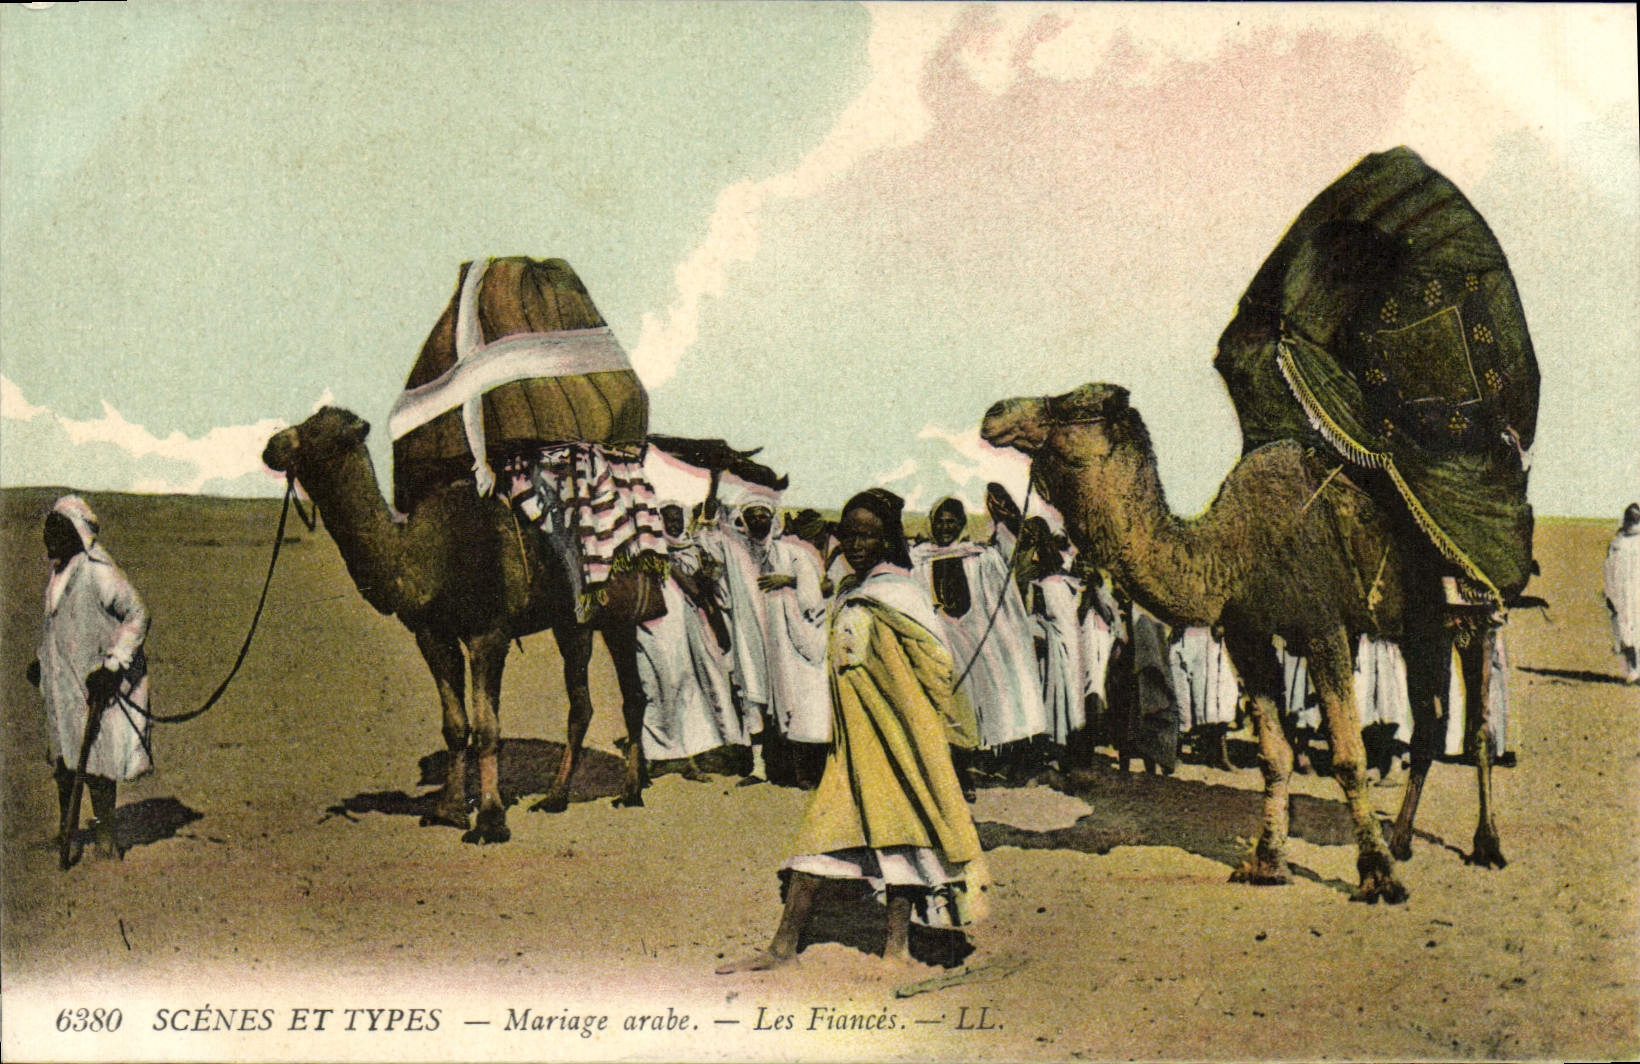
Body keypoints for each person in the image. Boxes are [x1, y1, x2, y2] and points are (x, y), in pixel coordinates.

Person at [716, 489, 983, 973]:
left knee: (902, 841)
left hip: (896, 739)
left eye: (868, 535)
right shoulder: (847, 592)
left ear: (887, 540)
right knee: (815, 840)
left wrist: (925, 720)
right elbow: (819, 651)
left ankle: (896, 949)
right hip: (851, 748)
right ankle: (782, 949)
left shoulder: (900, 595)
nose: (856, 544)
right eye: (850, 534)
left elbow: (937, 662)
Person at [26, 495, 152, 862]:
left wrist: (113, 666)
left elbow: (137, 615)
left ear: (76, 533)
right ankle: (69, 832)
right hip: (61, 685)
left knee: (97, 765)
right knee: (65, 763)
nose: (48, 536)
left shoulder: (98, 572)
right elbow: (57, 629)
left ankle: (106, 836)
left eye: (57, 529)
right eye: (47, 528)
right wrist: (39, 661)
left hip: (91, 686)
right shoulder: (58, 574)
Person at [637, 503, 740, 777]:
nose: (673, 526)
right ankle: (654, 756)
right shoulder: (649, 551)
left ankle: (691, 758)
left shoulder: (693, 549)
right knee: (654, 687)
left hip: (686, 628)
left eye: (677, 520)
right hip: (653, 628)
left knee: (687, 687)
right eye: (668, 520)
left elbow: (704, 587)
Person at [1606, 503, 1640, 684]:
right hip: (1622, 593)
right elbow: (1609, 570)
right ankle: (1633, 670)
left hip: (1636, 593)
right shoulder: (1616, 542)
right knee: (1626, 631)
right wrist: (1609, 594)